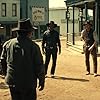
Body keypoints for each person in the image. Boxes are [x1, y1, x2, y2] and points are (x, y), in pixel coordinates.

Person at [0, 18, 45, 100]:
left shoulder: (7, 44)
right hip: (28, 82)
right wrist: (41, 79)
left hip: (12, 81)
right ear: (29, 32)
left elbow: (2, 61)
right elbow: (39, 65)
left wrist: (6, 74)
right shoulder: (33, 46)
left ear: (17, 32)